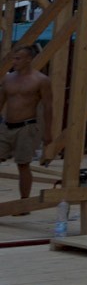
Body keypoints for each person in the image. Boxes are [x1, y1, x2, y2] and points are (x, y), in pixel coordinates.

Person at [1, 44, 52, 200]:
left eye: (18, 59)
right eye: (13, 58)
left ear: (28, 59)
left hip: (27, 127)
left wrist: (48, 132)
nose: (14, 62)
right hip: (6, 126)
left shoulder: (40, 80)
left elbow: (48, 107)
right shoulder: (8, 79)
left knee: (23, 164)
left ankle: (24, 203)